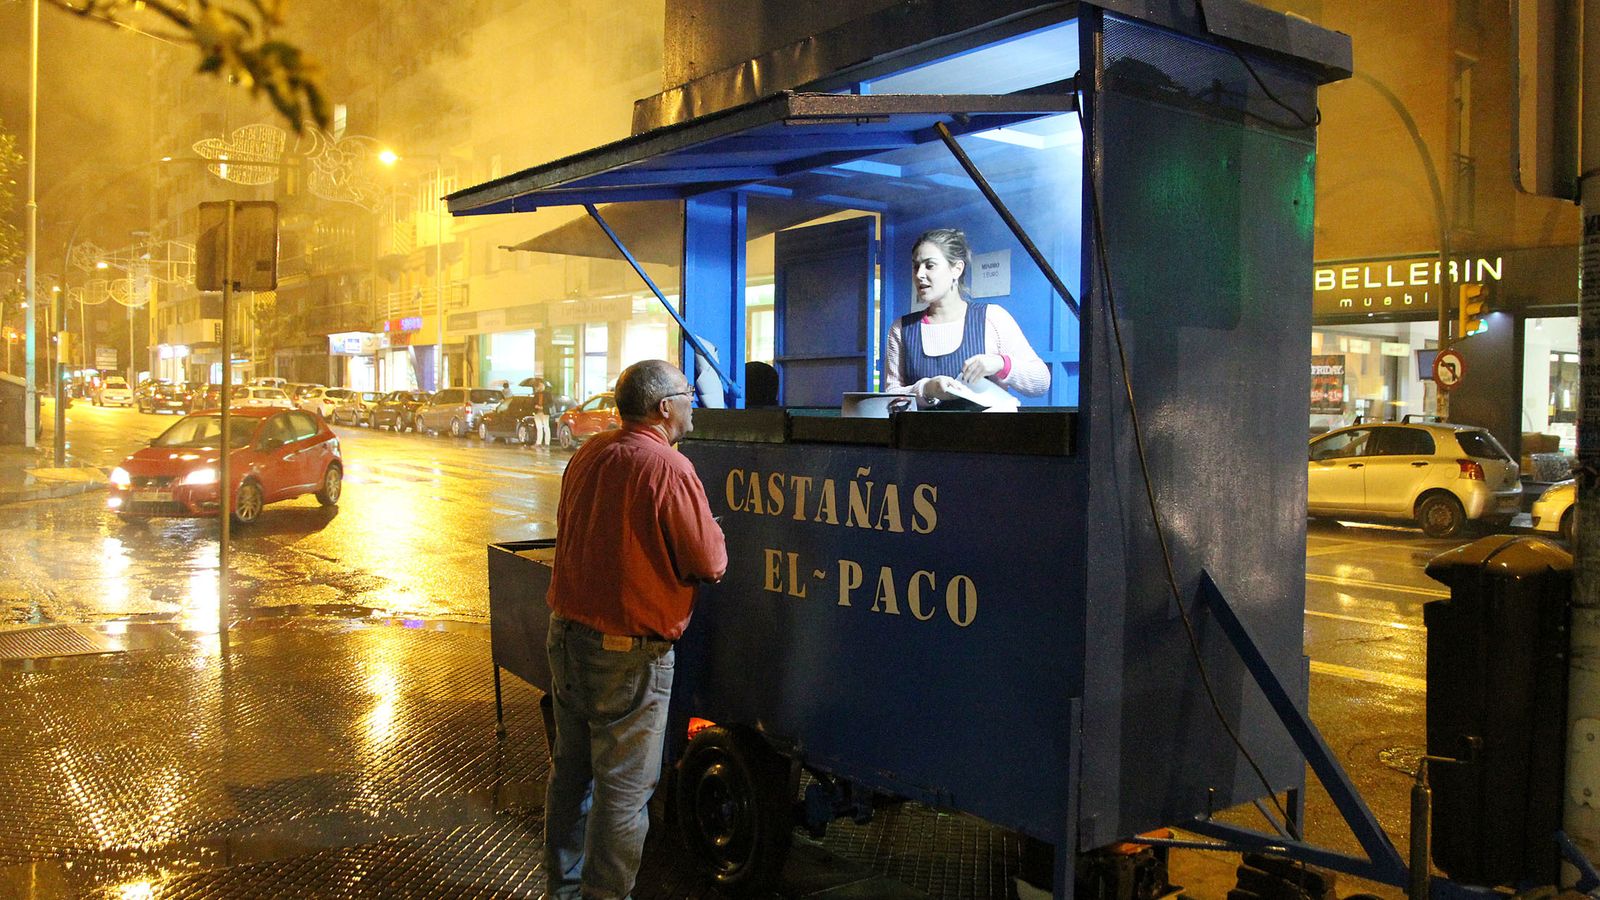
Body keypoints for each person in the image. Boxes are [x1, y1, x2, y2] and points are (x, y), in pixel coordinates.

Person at [543, 359, 728, 900]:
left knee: (571, 778)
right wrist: (713, 532)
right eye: (687, 393)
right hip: (627, 656)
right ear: (664, 407)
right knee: (623, 796)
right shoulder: (669, 467)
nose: (693, 400)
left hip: (567, 637)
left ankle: (564, 890)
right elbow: (709, 562)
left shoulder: (589, 452)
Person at [884, 228, 1050, 407]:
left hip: (987, 433)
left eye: (929, 265)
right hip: (923, 434)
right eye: (916, 266)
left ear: (956, 269)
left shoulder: (992, 318)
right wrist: (926, 389)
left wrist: (1001, 364)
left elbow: (1041, 382)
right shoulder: (902, 328)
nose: (919, 274)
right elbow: (891, 396)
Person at [530, 377, 552, 447]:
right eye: (539, 386)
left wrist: (543, 407)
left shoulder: (548, 394)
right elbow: (532, 403)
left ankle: (547, 443)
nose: (540, 387)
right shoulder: (536, 394)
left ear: (544, 386)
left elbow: (551, 404)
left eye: (541, 385)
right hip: (537, 412)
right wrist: (535, 406)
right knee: (539, 428)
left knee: (546, 427)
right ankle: (538, 442)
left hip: (545, 412)